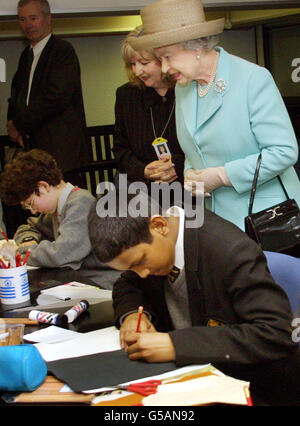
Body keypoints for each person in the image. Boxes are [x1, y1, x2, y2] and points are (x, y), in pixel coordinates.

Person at [88, 194, 300, 405]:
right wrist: (133, 315)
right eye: (131, 268)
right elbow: (128, 284)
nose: (141, 273)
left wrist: (176, 345)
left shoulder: (229, 251)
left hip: (252, 387)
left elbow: (275, 333)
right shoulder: (148, 244)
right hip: (189, 377)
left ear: (159, 225)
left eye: (140, 262)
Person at [128, 0, 300, 230]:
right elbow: (194, 148)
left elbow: (284, 152)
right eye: (160, 60)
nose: (165, 69)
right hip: (217, 221)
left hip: (269, 218)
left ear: (196, 46)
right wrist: (191, 173)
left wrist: (221, 176)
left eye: (168, 57)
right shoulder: (183, 88)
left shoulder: (252, 79)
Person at [0, 149, 120, 289]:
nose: (33, 211)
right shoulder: (59, 207)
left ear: (43, 186)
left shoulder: (80, 203)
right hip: (81, 280)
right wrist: (28, 240)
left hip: (103, 284)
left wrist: (21, 252)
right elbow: (29, 226)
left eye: (31, 203)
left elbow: (63, 253)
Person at [7, 0, 88, 182]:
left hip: (61, 153)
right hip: (35, 150)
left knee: (68, 207)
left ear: (48, 19)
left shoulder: (62, 50)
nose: (27, 25)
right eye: (22, 19)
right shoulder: (25, 56)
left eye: (33, 18)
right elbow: (19, 97)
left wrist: (18, 124)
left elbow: (56, 97)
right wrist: (15, 125)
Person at [113, 27, 184, 190]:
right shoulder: (126, 95)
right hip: (141, 190)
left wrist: (176, 167)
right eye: (132, 64)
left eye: (144, 63)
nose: (137, 71)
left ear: (165, 59)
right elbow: (120, 150)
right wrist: (143, 170)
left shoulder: (188, 91)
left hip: (187, 190)